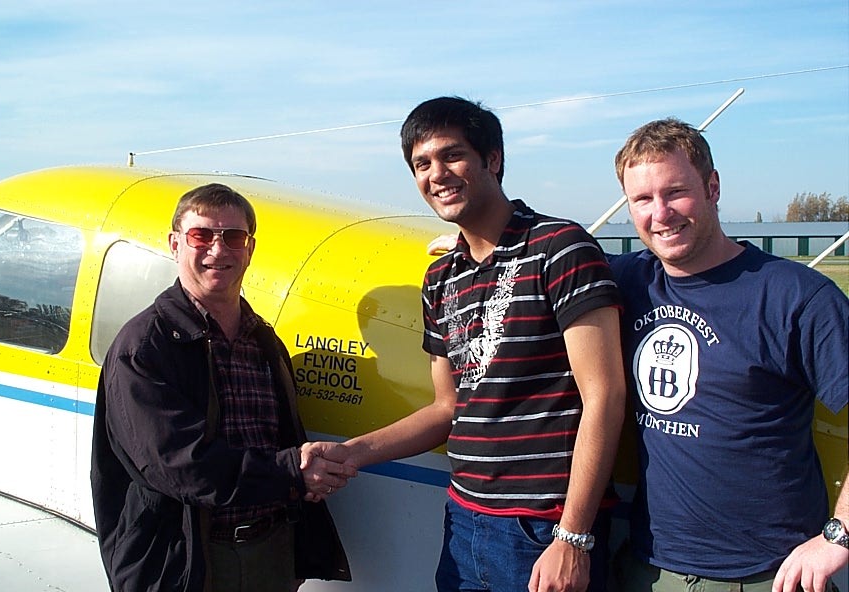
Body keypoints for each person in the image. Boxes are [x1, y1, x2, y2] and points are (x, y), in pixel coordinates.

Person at [328, 96, 627, 592]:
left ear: (493, 159)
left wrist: (572, 538)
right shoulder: (442, 277)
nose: (436, 174)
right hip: (464, 520)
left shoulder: (559, 248)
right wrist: (351, 453)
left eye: (452, 155)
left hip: (544, 529)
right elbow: (448, 408)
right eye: (421, 164)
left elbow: (605, 396)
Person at [610, 118, 849, 591]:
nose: (660, 214)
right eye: (642, 199)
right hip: (651, 568)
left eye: (676, 192)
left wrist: (838, 537)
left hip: (771, 574)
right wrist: (483, 246)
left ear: (713, 187)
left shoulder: (798, 297)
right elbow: (548, 260)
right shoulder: (627, 280)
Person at [90, 183, 355, 592]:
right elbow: (180, 466)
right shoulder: (143, 347)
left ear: (249, 248)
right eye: (201, 236)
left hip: (270, 553)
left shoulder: (264, 341)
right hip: (189, 563)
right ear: (175, 243)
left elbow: (283, 436)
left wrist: (294, 547)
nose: (218, 250)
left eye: (233, 237)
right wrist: (295, 473)